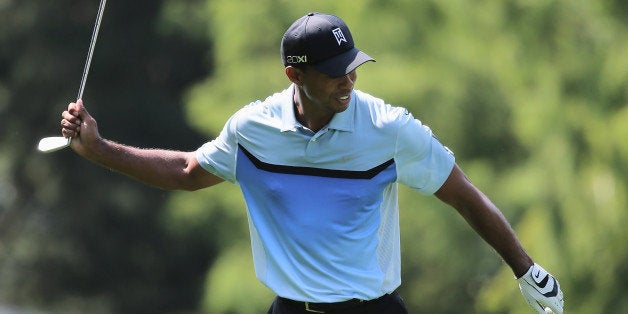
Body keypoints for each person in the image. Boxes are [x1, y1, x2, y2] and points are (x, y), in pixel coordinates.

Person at [60, 12, 564, 314]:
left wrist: (527, 270)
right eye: (332, 74)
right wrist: (100, 148)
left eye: (351, 69)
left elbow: (463, 195)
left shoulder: (389, 129)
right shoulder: (254, 129)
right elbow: (189, 172)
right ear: (293, 74)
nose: (347, 81)